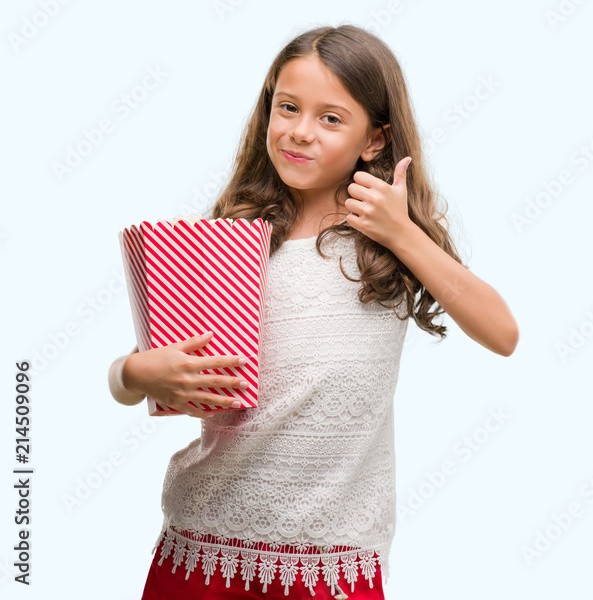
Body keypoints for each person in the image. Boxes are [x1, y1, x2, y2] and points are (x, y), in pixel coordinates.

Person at [107, 24, 518, 600]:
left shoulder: (389, 245)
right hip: (205, 549)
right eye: (288, 108)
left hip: (332, 565)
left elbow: (502, 333)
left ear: (374, 140)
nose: (299, 132)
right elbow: (150, 370)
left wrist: (404, 234)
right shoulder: (233, 237)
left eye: (330, 118)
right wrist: (132, 375)